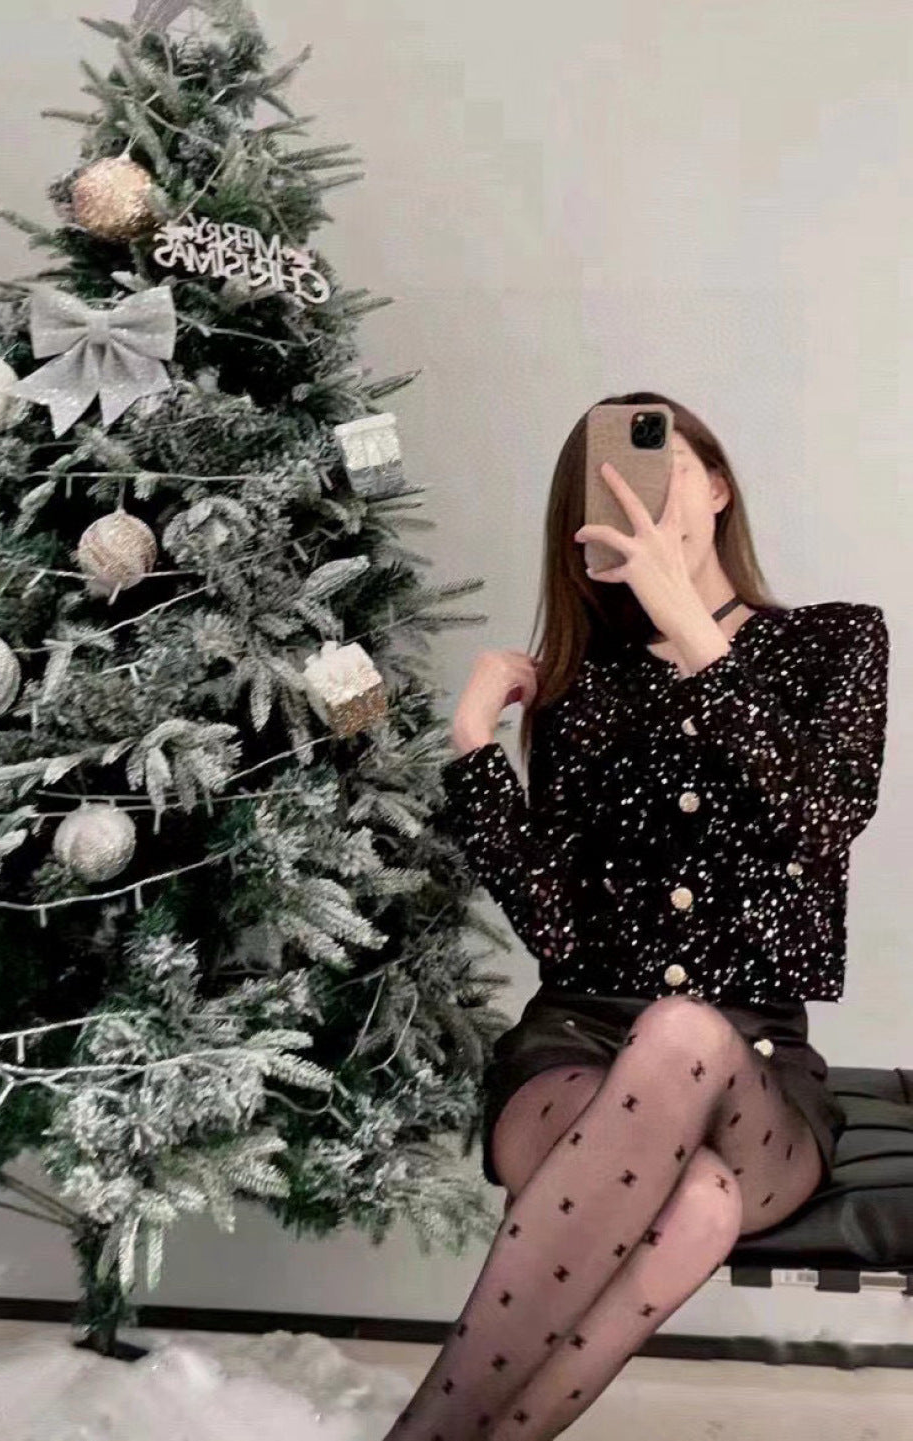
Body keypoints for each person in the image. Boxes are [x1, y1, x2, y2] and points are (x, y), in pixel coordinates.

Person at [383, 392, 890, 1441]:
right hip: (574, 1050)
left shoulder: (836, 643)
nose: (642, 503)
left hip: (755, 1073)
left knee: (685, 1037)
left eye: (662, 474)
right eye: (608, 488)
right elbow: (559, 933)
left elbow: (821, 823)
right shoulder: (583, 685)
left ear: (718, 487)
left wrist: (699, 636)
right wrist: (474, 749)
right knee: (695, 1198)